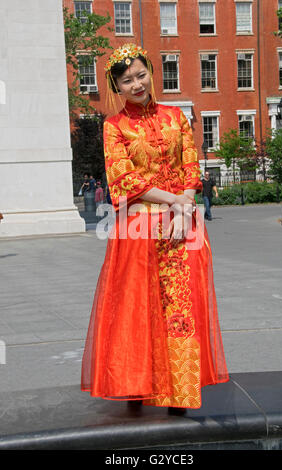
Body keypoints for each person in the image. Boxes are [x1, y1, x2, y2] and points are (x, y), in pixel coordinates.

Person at [81, 44, 229, 412]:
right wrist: (175, 201)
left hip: (182, 228)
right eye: (127, 80)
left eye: (141, 75)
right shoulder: (113, 127)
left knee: (181, 308)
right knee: (138, 308)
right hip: (139, 229)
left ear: (151, 71)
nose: (137, 84)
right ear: (117, 87)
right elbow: (124, 180)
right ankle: (137, 385)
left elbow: (190, 167)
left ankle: (180, 391)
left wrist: (184, 208)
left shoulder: (176, 117)